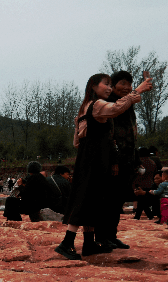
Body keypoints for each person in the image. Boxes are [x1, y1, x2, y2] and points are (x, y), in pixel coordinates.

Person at [55, 72, 151, 260]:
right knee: (84, 199)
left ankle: (89, 243)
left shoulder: (84, 108)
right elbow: (116, 109)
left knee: (92, 199)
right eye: (105, 84)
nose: (108, 88)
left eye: (109, 84)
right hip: (95, 159)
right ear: (93, 86)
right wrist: (138, 90)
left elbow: (76, 141)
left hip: (88, 158)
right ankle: (66, 243)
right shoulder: (97, 105)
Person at [104, 70, 139, 249]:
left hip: (127, 158)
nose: (127, 88)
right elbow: (110, 136)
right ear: (113, 85)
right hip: (114, 160)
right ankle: (103, 237)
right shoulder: (110, 104)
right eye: (122, 83)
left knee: (118, 200)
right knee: (109, 199)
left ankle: (112, 235)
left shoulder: (128, 105)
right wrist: (114, 160)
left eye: (129, 84)